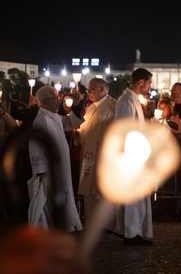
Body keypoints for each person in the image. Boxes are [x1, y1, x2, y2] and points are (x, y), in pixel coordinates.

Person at [108, 67, 154, 246]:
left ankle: (134, 231)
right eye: (149, 82)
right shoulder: (126, 101)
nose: (150, 86)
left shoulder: (133, 99)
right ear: (140, 82)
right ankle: (130, 232)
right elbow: (124, 129)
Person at [28, 86, 84, 232]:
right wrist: (40, 172)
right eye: (55, 98)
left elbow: (71, 122)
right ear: (45, 102)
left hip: (60, 169)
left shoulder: (54, 117)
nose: (59, 100)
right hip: (49, 173)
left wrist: (76, 104)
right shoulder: (42, 120)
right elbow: (36, 148)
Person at [77, 78, 117, 221]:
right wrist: (79, 133)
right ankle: (90, 219)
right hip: (89, 154)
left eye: (91, 90)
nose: (88, 93)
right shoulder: (92, 107)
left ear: (102, 89)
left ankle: (104, 222)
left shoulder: (113, 106)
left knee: (100, 188)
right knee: (89, 188)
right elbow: (85, 127)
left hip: (102, 155)